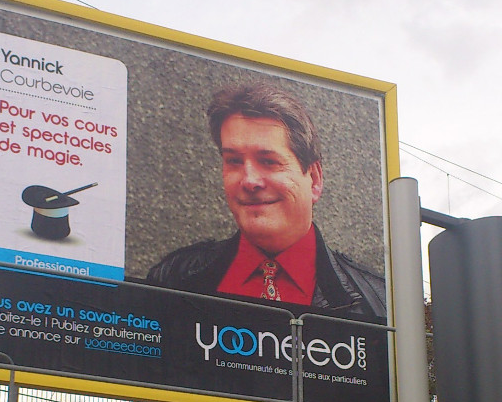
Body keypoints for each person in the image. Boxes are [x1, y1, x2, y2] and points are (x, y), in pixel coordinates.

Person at [146, 82, 386, 320]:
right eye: (234, 161)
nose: (249, 181)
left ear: (313, 179)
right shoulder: (173, 280)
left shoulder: (380, 302)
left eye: (268, 161)